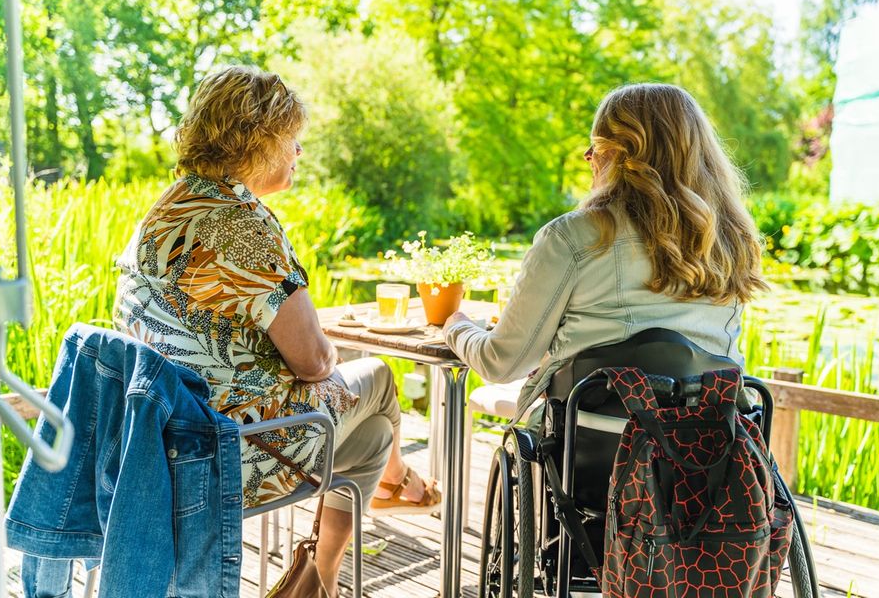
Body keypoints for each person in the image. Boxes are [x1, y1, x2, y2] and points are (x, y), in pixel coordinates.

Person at [114, 66, 439, 595]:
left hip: (155, 441)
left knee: (372, 438)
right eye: (293, 141)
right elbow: (312, 360)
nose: (298, 153)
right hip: (234, 450)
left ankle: (327, 569)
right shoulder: (245, 223)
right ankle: (369, 518)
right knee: (378, 377)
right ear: (260, 142)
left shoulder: (164, 211)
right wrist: (324, 349)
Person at [444, 83, 767, 424]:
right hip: (707, 453)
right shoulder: (732, 240)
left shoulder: (571, 237)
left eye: (595, 147)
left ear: (619, 154)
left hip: (591, 453)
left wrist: (457, 326)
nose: (590, 159)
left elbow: (502, 362)